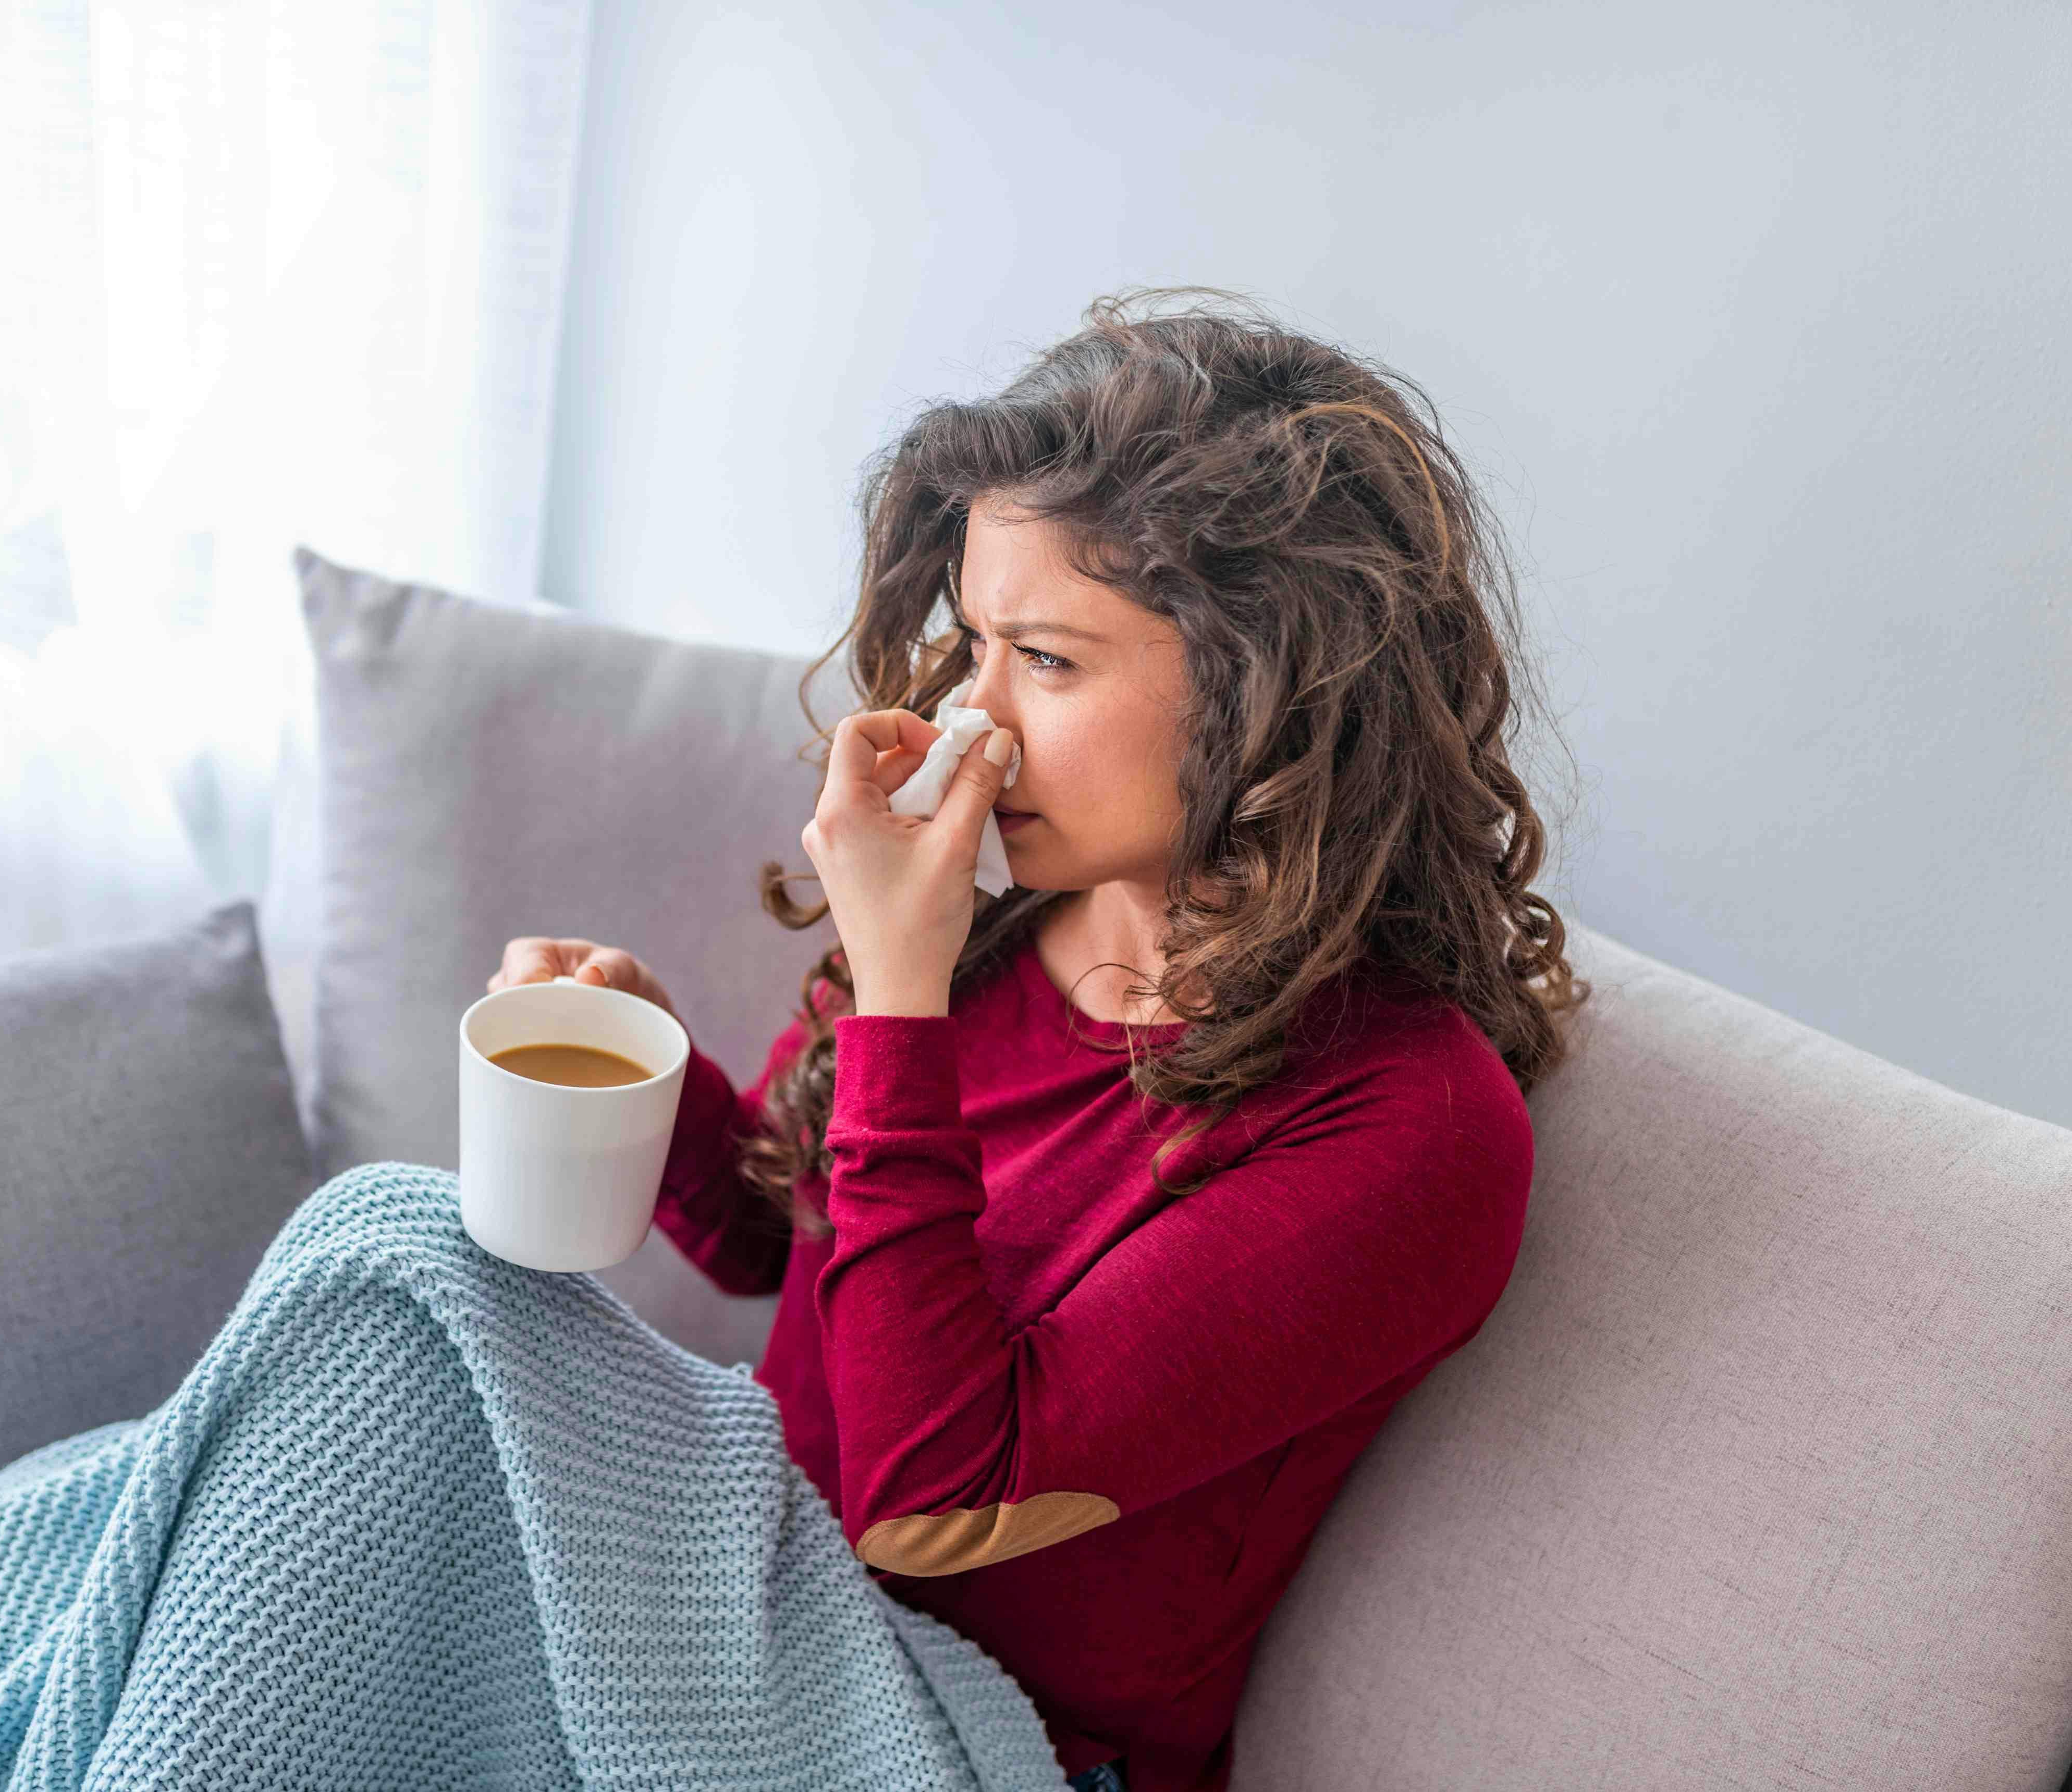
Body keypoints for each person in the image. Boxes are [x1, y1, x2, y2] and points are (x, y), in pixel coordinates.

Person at [487, 286, 1585, 1792]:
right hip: (740, 1610)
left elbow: (930, 1495)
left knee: (384, 1264)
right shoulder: (1004, 916)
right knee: (390, 1284)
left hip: (961, 1739)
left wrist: (895, 991)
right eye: (973, 644)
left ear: (1269, 692)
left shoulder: (1408, 1124)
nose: (972, 727)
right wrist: (651, 1076)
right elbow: (798, 1263)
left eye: (1049, 662)